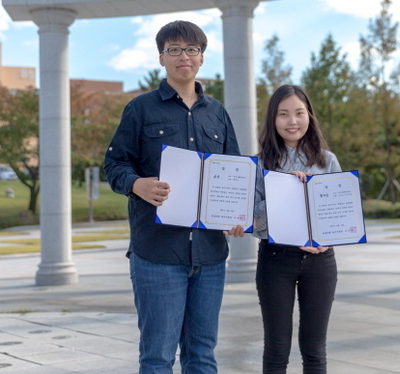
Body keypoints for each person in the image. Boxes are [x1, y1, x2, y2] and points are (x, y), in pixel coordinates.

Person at [103, 20, 244, 374]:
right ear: (161, 58)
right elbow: (115, 164)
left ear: (201, 57)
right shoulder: (141, 109)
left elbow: (235, 171)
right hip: (158, 254)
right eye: (175, 50)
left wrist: (238, 214)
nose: (185, 56)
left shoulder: (217, 113)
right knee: (157, 357)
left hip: (210, 255)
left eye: (192, 50)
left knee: (202, 355)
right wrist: (138, 185)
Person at [253, 84, 341, 374]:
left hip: (320, 261)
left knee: (315, 349)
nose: (292, 121)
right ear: (273, 120)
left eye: (299, 113)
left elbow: (339, 211)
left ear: (309, 117)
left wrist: (327, 240)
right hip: (275, 260)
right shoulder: (261, 163)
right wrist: (285, 192)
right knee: (277, 348)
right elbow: (254, 223)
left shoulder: (326, 161)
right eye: (283, 114)